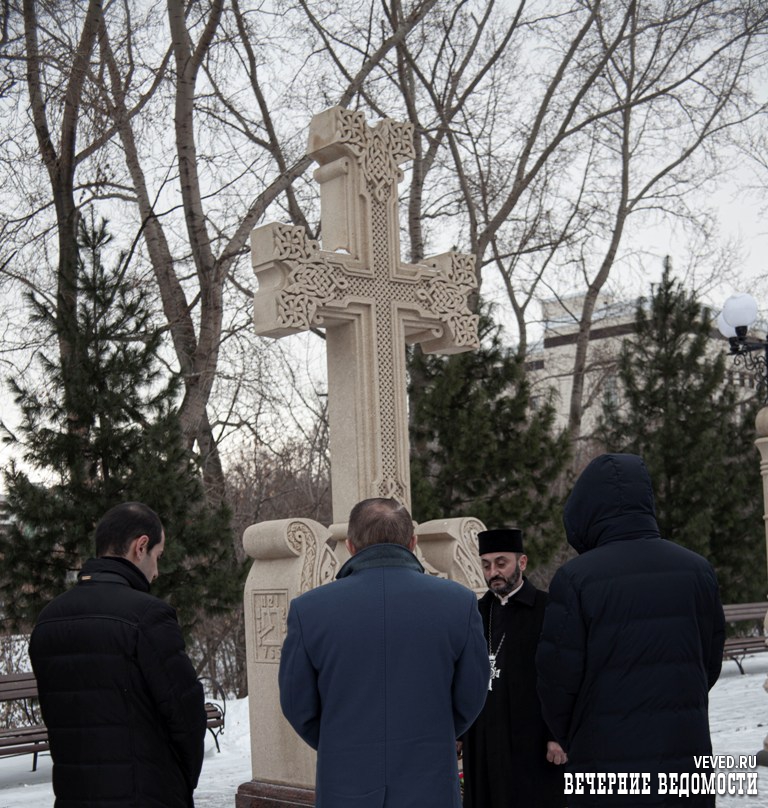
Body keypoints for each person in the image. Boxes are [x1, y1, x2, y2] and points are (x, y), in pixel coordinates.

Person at [536, 453, 725, 807]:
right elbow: (709, 662)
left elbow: (556, 681)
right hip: (684, 754)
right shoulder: (698, 571)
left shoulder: (576, 579)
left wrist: (576, 735)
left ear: (585, 509)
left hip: (604, 760)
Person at [278, 497, 489, 808]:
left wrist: (343, 743)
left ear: (350, 546)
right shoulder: (459, 603)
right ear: (413, 543)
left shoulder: (308, 610)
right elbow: (471, 695)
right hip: (429, 783)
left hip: (346, 784)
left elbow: (298, 705)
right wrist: (433, 735)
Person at [29, 502, 207, 808]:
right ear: (141, 546)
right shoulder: (148, 616)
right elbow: (186, 714)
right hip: (147, 795)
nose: (156, 571)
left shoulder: (48, 620)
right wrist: (180, 784)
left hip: (74, 796)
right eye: (158, 556)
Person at [461, 527, 566, 808]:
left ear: (522, 562)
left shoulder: (548, 609)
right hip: (483, 736)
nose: (493, 572)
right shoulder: (476, 612)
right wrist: (459, 732)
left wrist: (556, 734)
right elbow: (461, 674)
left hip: (532, 736)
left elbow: (562, 675)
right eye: (486, 565)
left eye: (501, 563)